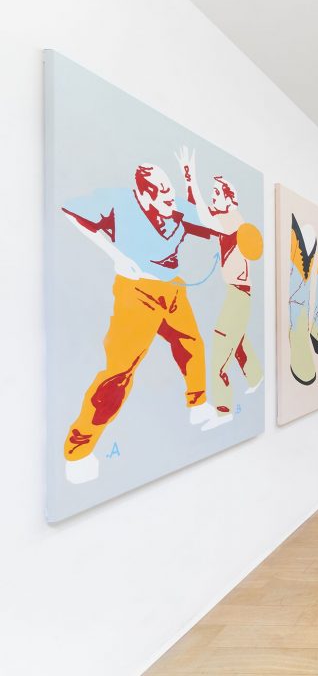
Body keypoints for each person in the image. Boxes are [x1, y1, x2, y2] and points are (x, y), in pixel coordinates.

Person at [61, 162, 222, 484]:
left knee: (191, 344)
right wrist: (117, 255)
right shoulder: (118, 203)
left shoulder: (176, 208)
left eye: (170, 189)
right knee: (120, 371)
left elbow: (212, 225)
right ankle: (78, 451)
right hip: (137, 293)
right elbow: (72, 212)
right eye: (161, 192)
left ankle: (199, 405)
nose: (169, 197)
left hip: (173, 289)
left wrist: (191, 178)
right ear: (143, 196)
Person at [176, 147, 263, 430]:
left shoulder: (233, 220)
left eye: (216, 194)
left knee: (220, 347)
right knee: (237, 340)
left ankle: (223, 410)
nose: (213, 198)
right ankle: (256, 376)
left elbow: (203, 216)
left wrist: (193, 177)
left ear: (229, 198)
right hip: (239, 294)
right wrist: (188, 179)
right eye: (212, 194)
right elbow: (196, 211)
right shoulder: (224, 218)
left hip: (238, 294)